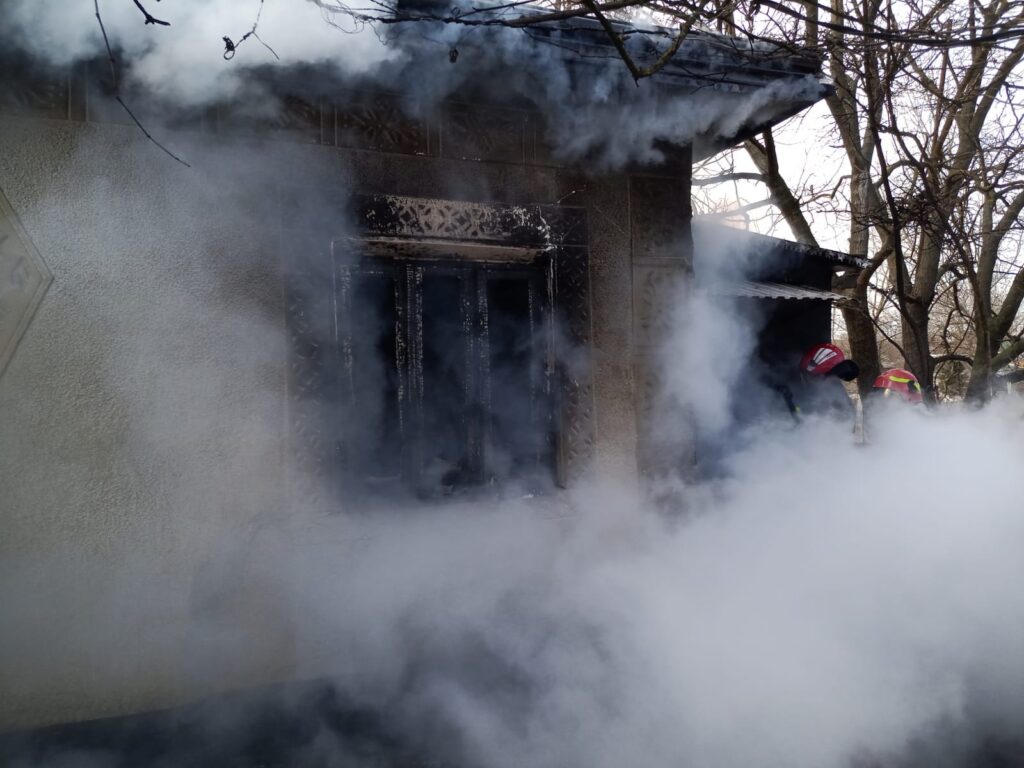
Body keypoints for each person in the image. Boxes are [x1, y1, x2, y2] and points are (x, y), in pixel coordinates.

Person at [778, 342, 860, 422]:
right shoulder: (790, 385)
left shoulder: (835, 392)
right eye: (807, 374)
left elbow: (847, 418)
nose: (809, 379)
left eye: (816, 376)